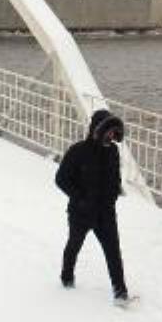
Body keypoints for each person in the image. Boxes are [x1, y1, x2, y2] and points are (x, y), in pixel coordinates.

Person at [55, 109, 131, 305]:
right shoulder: (78, 151)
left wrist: (115, 192)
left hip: (105, 212)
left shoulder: (113, 151)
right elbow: (61, 179)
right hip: (81, 212)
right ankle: (67, 277)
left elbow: (115, 177)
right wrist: (79, 198)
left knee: (113, 251)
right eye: (108, 132)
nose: (111, 136)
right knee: (74, 245)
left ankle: (120, 291)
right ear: (97, 130)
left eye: (114, 133)